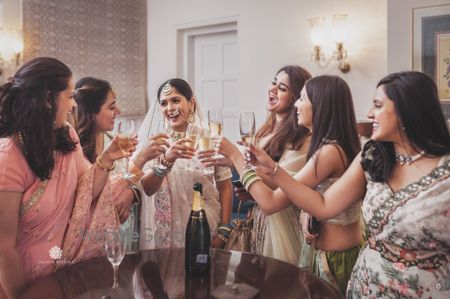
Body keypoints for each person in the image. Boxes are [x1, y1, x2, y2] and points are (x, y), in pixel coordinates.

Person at [240, 71, 450, 298]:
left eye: (378, 106)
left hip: (425, 289)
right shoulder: (372, 156)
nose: (369, 114)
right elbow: (323, 205)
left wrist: (238, 159)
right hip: (367, 285)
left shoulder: (444, 172)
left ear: (406, 111)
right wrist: (273, 170)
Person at [0, 57, 135, 298]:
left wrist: (107, 159)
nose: (74, 105)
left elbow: (85, 194)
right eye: (70, 96)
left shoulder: (67, 136)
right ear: (47, 99)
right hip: (23, 284)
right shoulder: (9, 158)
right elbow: (3, 249)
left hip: (62, 274)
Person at [217, 75, 363, 295]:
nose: (296, 104)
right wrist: (268, 168)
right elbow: (301, 189)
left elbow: (270, 203)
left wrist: (237, 159)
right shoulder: (333, 146)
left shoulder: (330, 152)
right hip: (328, 253)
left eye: (302, 99)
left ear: (320, 106)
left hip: (334, 261)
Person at [199, 65, 311, 264]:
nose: (273, 89)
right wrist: (247, 187)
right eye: (273, 83)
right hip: (259, 220)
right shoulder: (265, 130)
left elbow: (287, 184)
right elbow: (265, 174)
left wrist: (236, 157)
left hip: (281, 224)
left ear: (296, 99)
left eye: (282, 88)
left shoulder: (301, 139)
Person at [72, 77, 168, 252]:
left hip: (122, 232)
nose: (119, 111)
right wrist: (142, 158)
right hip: (90, 239)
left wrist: (132, 192)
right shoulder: (76, 152)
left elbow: (128, 179)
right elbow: (86, 198)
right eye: (111, 107)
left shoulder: (112, 141)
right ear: (91, 112)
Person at [136, 78, 233, 249]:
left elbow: (225, 185)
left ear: (191, 103)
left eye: (175, 100)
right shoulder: (156, 142)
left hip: (205, 224)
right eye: (164, 103)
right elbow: (148, 189)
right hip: (164, 229)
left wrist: (224, 229)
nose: (170, 108)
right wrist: (167, 160)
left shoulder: (208, 138)